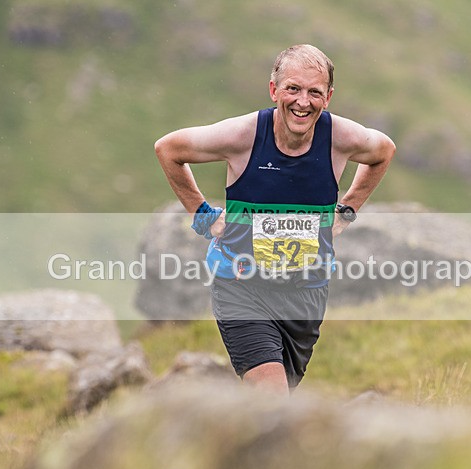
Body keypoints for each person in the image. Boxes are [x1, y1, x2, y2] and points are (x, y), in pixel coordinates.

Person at [155, 44, 395, 394]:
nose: (302, 102)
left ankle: (224, 441)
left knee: (277, 405)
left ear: (328, 97)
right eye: (293, 89)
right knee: (273, 397)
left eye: (314, 92)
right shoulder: (243, 136)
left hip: (307, 294)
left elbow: (384, 151)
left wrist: (348, 209)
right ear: (274, 90)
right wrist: (203, 216)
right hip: (241, 287)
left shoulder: (340, 139)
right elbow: (169, 149)